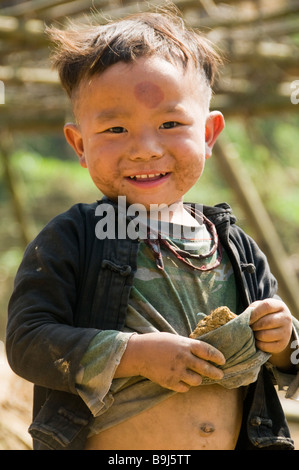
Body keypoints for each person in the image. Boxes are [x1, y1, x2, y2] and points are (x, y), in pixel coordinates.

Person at [6, 7, 299, 450]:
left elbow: (289, 359)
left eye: (170, 124)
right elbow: (28, 343)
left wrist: (283, 340)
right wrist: (132, 354)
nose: (145, 149)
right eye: (116, 128)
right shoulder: (76, 238)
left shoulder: (234, 247)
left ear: (208, 133)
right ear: (80, 145)